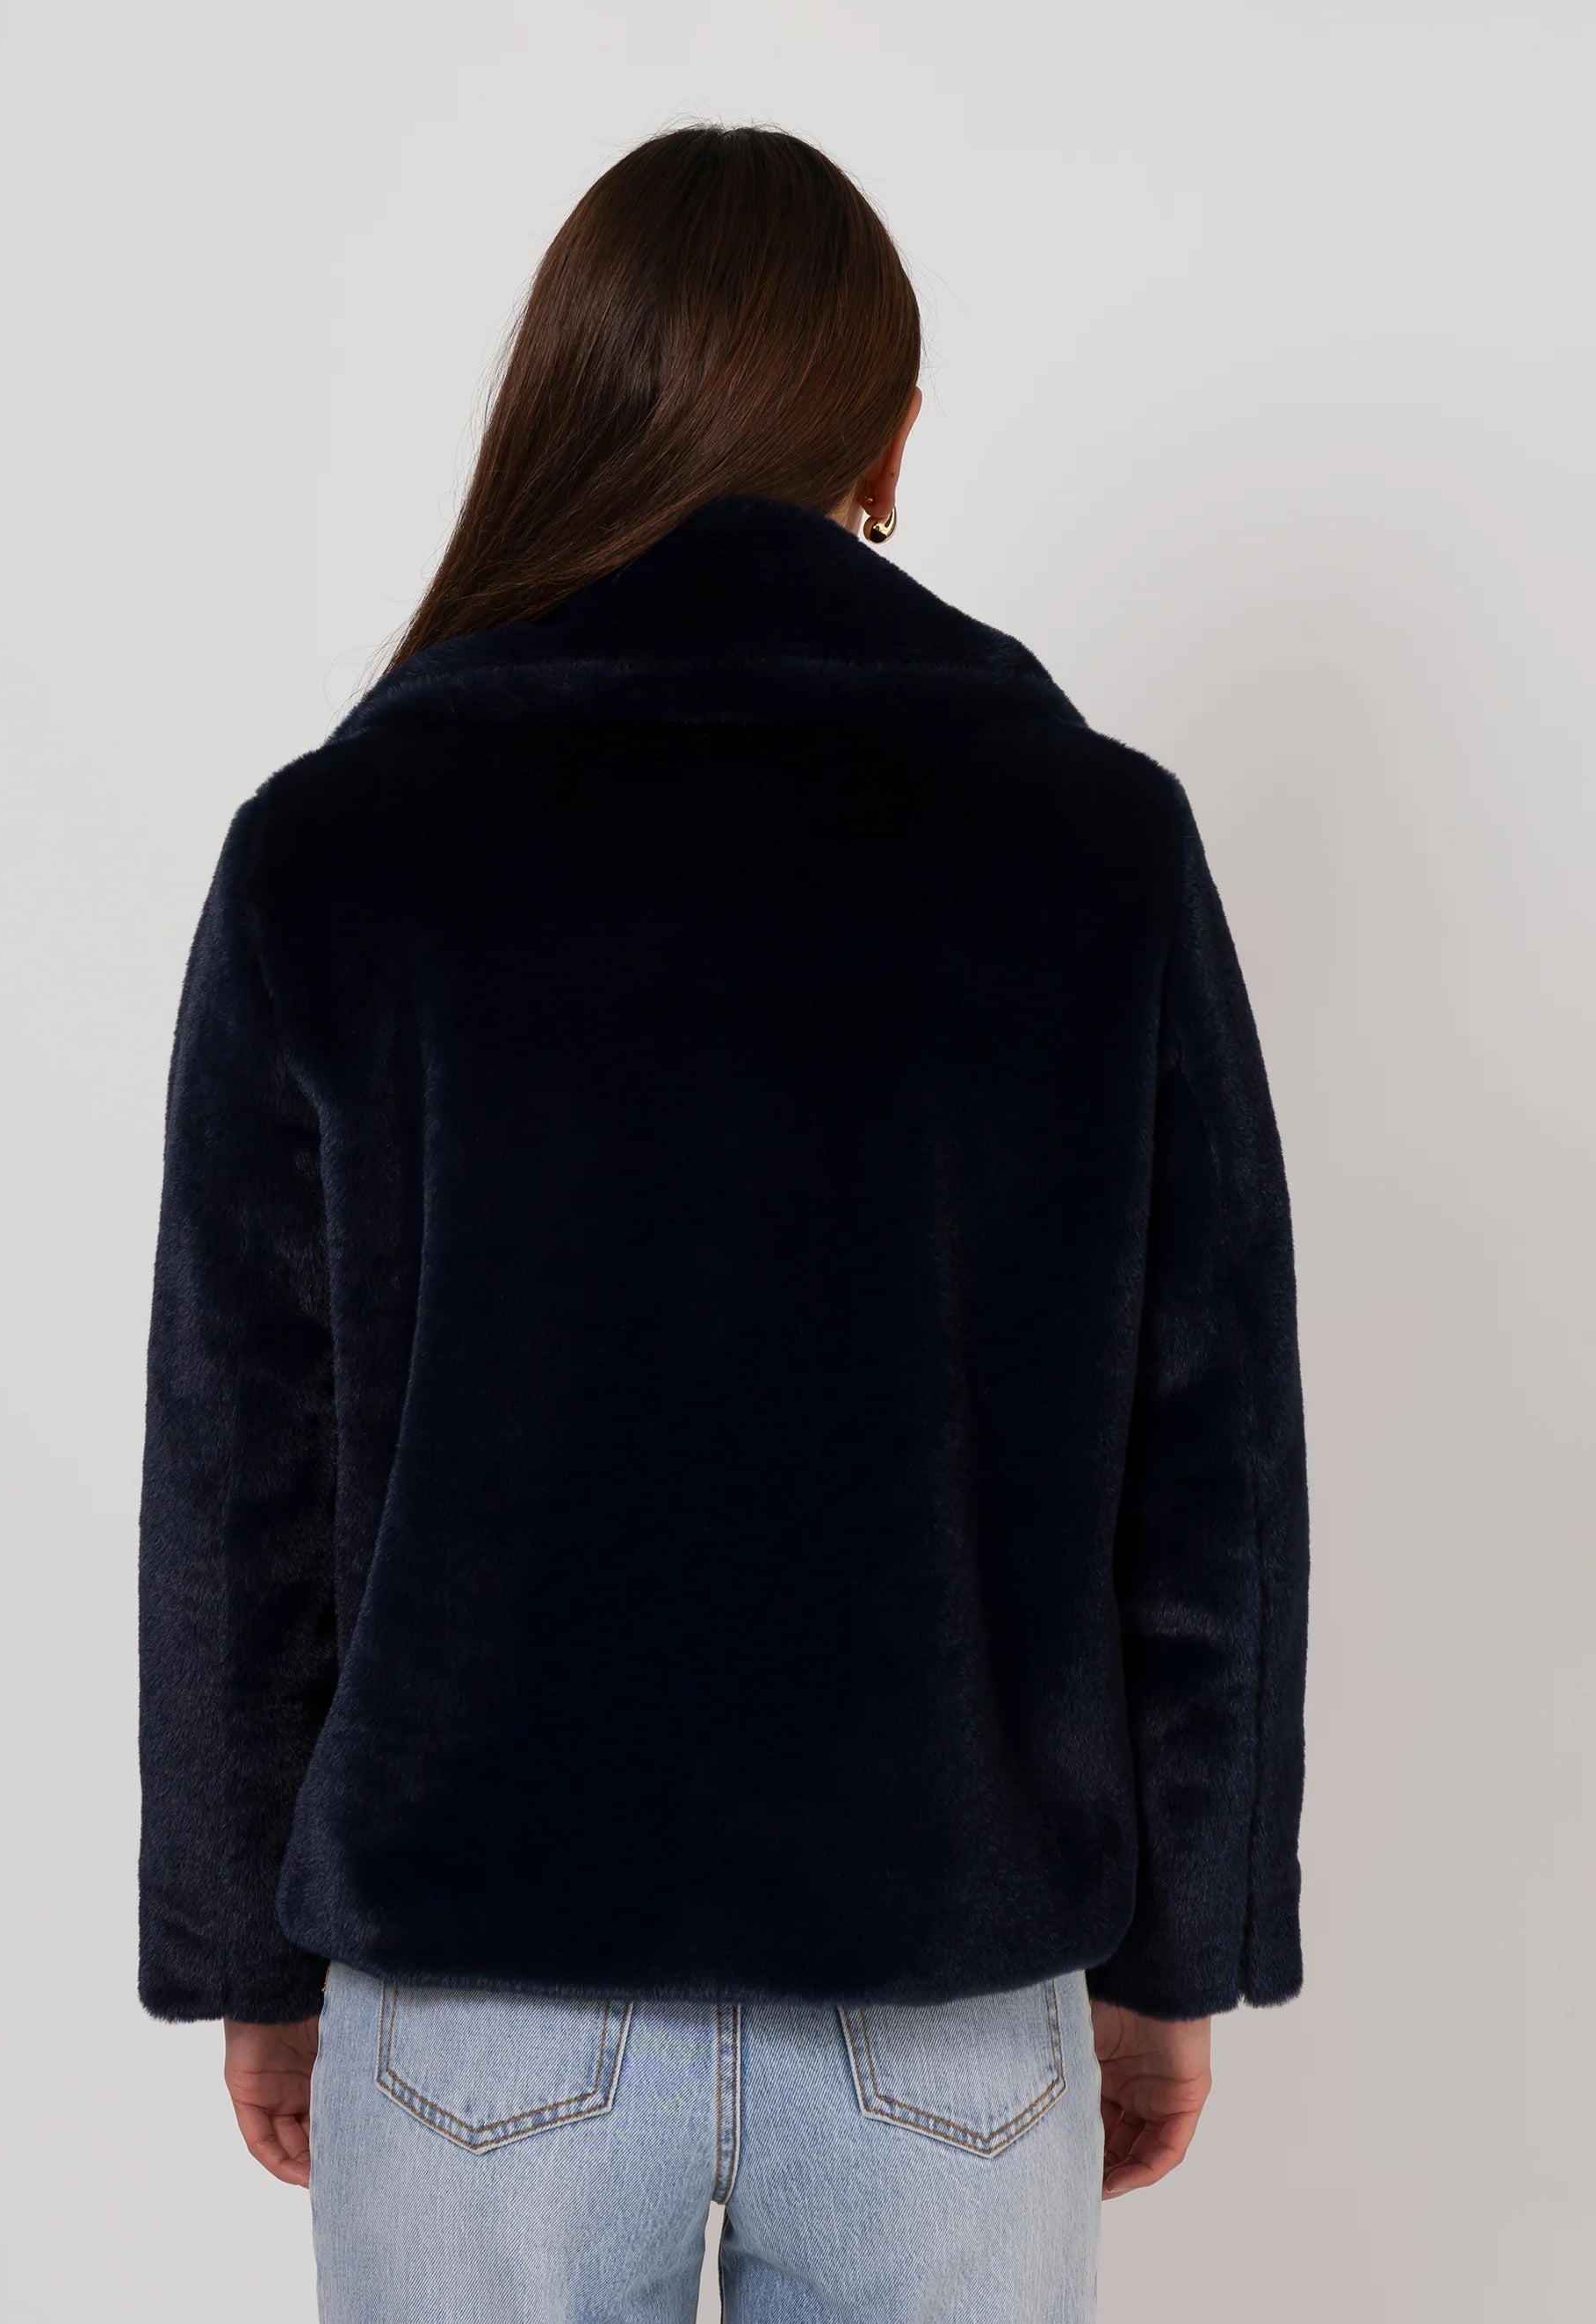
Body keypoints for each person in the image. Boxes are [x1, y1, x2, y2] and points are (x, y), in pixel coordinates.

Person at [138, 123, 1307, 2324]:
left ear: (564, 405)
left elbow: (243, 1461)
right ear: (889, 440)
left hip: (477, 1996)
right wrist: (1180, 1954)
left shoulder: (341, 844)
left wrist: (244, 1956)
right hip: (946, 1996)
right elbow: (1208, 1463)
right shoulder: (1093, 843)